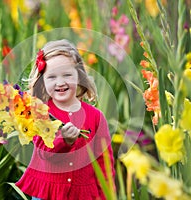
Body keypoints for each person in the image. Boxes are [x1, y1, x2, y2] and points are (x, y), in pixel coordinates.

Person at [15, 39, 116, 200]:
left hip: (82, 194)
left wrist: (107, 196)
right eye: (52, 77)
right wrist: (64, 141)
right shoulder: (40, 112)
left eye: (67, 75)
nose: (60, 82)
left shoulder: (95, 117)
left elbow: (104, 163)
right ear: (42, 81)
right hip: (48, 194)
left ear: (79, 76)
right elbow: (43, 151)